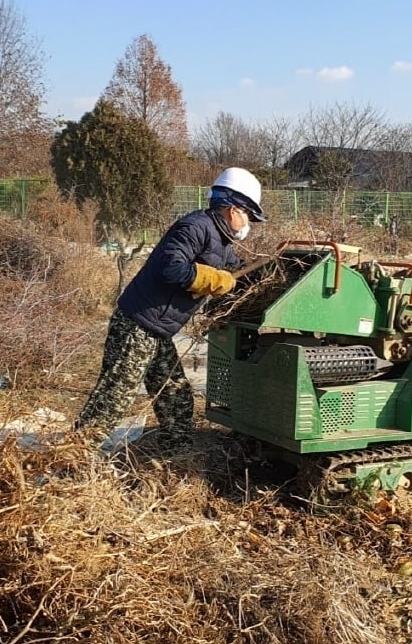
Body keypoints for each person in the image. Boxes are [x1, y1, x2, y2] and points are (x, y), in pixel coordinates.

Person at [73, 167, 267, 447]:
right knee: (114, 397)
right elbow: (171, 268)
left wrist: (272, 271)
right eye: (248, 214)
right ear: (234, 208)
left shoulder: (220, 240)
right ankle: (72, 455)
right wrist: (211, 278)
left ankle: (175, 450)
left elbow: (238, 271)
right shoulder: (195, 227)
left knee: (175, 396)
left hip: (157, 332)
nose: (248, 222)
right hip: (137, 326)